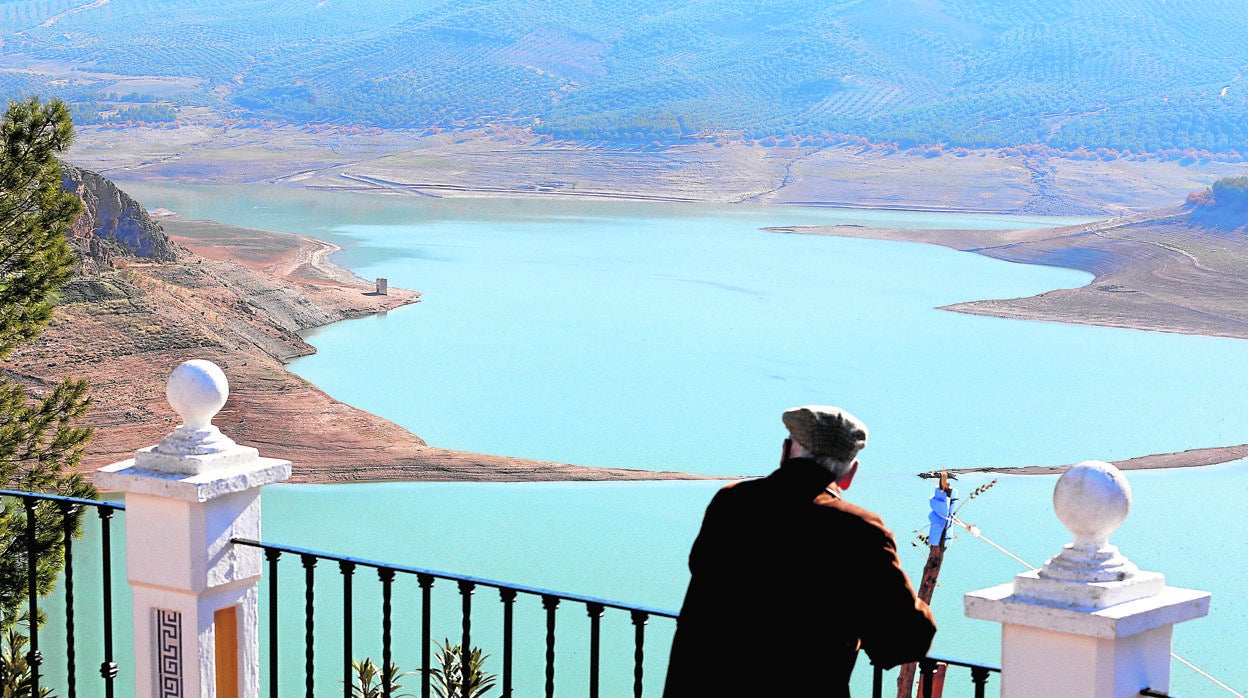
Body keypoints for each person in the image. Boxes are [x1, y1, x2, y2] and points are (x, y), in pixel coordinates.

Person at [663, 405, 936, 698]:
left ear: (784, 452)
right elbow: (905, 640)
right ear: (849, 475)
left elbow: (704, 570)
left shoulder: (731, 503)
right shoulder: (858, 530)